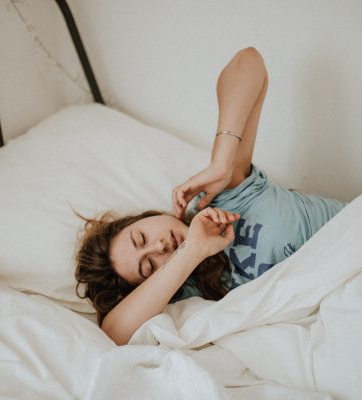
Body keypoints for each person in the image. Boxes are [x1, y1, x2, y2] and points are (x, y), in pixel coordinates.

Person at [75, 47, 346, 345]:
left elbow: (249, 62)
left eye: (141, 238)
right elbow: (114, 333)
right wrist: (191, 252)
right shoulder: (191, 295)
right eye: (149, 265)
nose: (160, 246)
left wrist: (221, 162)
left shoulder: (224, 196)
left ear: (146, 218)